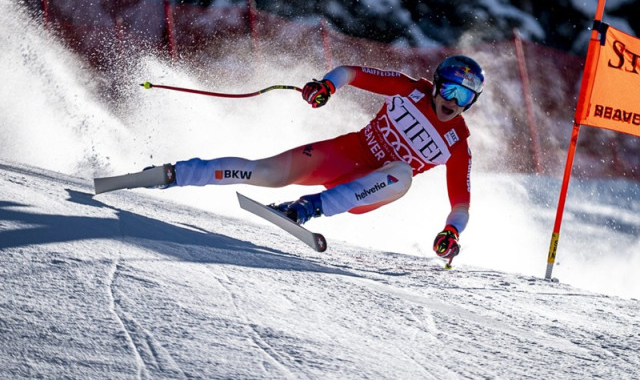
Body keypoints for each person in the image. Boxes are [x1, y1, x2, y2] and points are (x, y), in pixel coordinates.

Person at [148, 55, 484, 262]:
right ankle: (176, 173)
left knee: (402, 173)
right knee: (264, 172)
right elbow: (350, 72)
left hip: (366, 189)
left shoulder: (457, 144)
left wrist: (450, 233)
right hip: (341, 155)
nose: (454, 101)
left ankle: (307, 207)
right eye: (452, 89)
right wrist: (326, 86)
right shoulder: (409, 89)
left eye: (465, 96)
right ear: (438, 85)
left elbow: (461, 205)